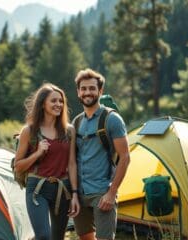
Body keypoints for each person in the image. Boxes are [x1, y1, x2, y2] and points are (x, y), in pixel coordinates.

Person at [14, 83, 80, 240]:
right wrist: (37, 153)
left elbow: (71, 164)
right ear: (43, 104)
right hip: (37, 189)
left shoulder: (69, 130)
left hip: (62, 189)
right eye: (53, 101)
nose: (58, 104)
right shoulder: (29, 131)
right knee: (43, 236)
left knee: (58, 237)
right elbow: (18, 166)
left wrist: (75, 194)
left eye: (61, 101)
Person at [73, 68, 130, 240]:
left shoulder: (112, 119)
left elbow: (125, 157)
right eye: (83, 89)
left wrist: (112, 193)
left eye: (91, 88)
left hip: (102, 193)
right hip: (80, 194)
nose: (87, 92)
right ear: (78, 92)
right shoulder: (76, 122)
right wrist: (74, 193)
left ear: (100, 91)